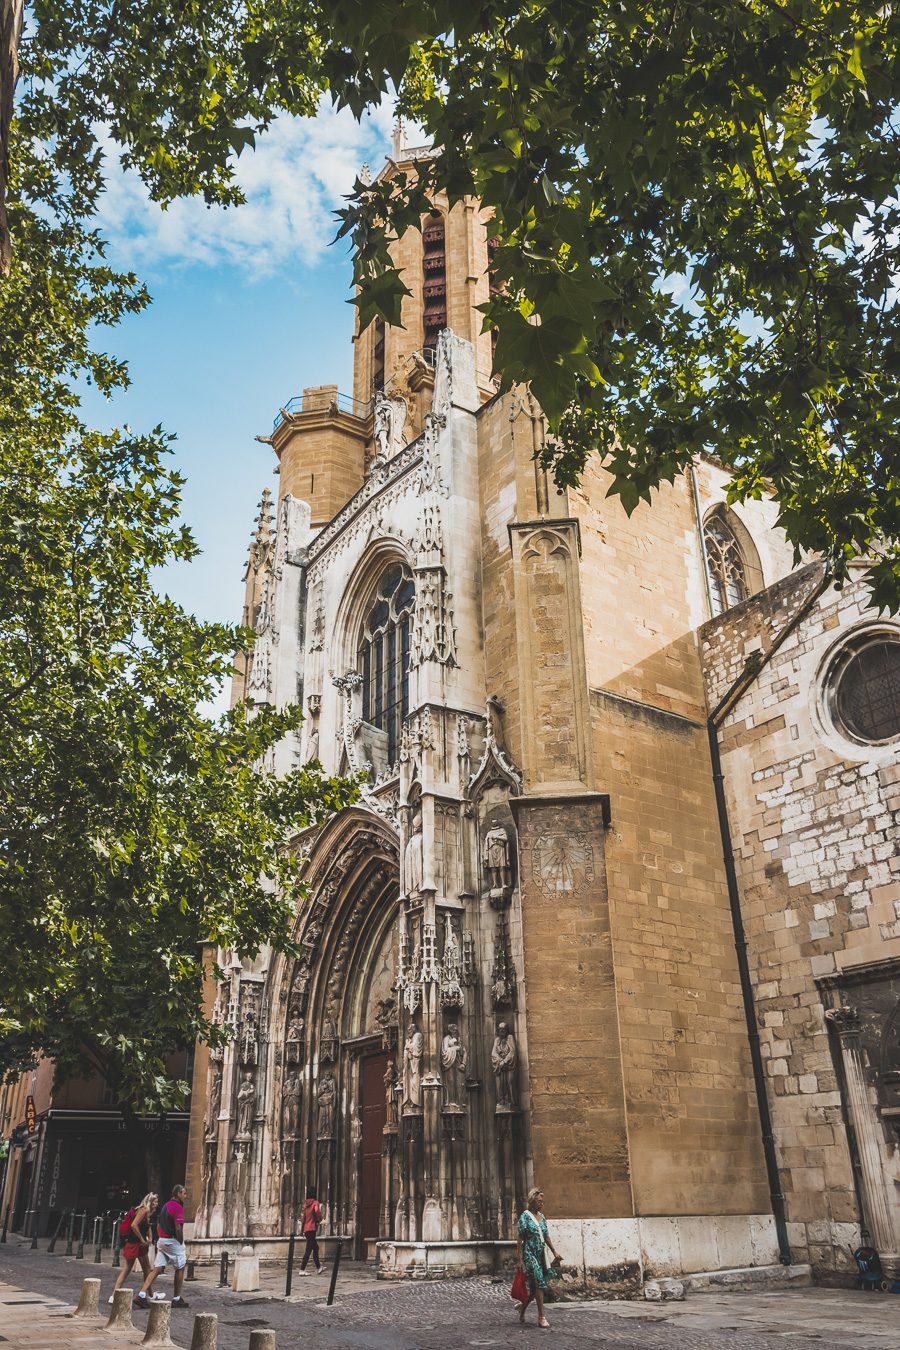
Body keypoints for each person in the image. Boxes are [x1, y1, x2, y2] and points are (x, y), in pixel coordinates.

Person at [135, 1184, 190, 1310]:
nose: (185, 1196)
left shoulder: (165, 1206)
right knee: (180, 1267)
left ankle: (142, 1295)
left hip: (162, 1240)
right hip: (172, 1240)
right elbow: (178, 1227)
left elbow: (158, 1225)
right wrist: (180, 1240)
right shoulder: (177, 1207)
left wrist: (161, 1238)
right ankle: (176, 1298)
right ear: (178, 1194)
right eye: (184, 1193)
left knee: (157, 1268)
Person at [515, 1186, 561, 1330]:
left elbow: (546, 1235)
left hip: (541, 1253)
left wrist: (554, 1252)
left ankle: (522, 1308)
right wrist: (520, 1259)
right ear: (532, 1200)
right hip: (530, 1253)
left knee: (535, 1289)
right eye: (539, 1201)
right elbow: (520, 1239)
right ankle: (541, 1317)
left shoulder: (542, 1217)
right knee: (540, 1281)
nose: (542, 1203)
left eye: (543, 1201)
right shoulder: (525, 1217)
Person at [109, 1193, 158, 1303]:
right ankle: (113, 1295)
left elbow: (147, 1226)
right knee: (127, 1269)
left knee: (147, 1269)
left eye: (157, 1201)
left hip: (139, 1245)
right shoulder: (143, 1210)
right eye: (154, 1201)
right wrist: (142, 1239)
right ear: (149, 1201)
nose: (156, 1203)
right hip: (134, 1243)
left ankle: (150, 1294)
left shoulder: (147, 1212)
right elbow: (134, 1225)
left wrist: (149, 1238)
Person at [298, 1186, 325, 1274]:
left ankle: (319, 1267)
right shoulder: (315, 1203)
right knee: (309, 1250)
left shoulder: (306, 1205)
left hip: (306, 1230)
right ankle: (302, 1269)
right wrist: (320, 1218)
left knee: (315, 1248)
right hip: (312, 1229)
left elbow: (303, 1219)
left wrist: (302, 1231)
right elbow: (317, 1211)